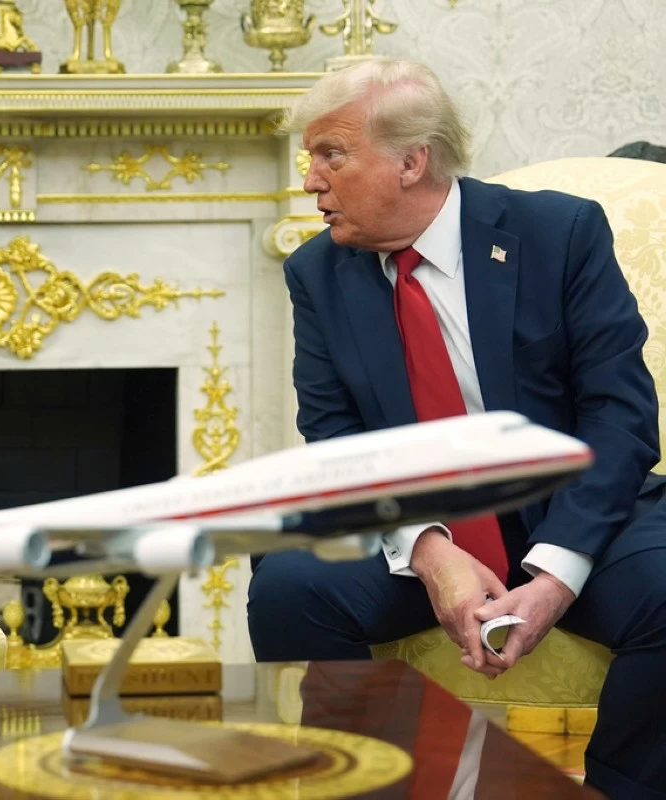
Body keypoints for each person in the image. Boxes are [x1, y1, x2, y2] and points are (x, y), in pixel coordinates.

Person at [247, 59, 666, 800]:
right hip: (419, 516)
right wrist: (431, 553)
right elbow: (338, 435)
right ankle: (370, 786)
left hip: (570, 510)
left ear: (411, 161)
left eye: (330, 155)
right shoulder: (318, 271)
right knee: (289, 584)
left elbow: (621, 415)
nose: (309, 180)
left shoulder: (557, 233)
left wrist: (554, 577)